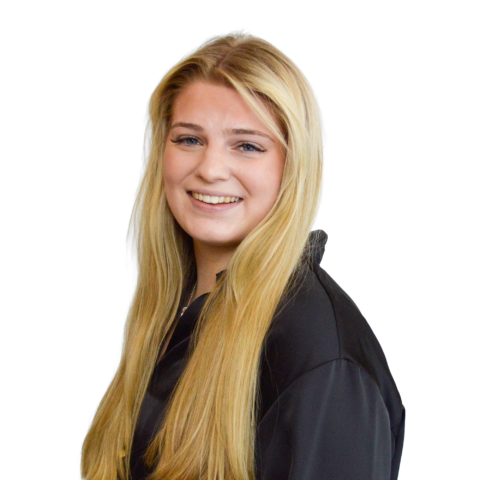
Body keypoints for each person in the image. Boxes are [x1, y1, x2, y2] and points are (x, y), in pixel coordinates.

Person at [81, 32, 405, 480]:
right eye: (189, 139)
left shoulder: (318, 355)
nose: (210, 169)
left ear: (292, 166)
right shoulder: (174, 312)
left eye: (247, 146)